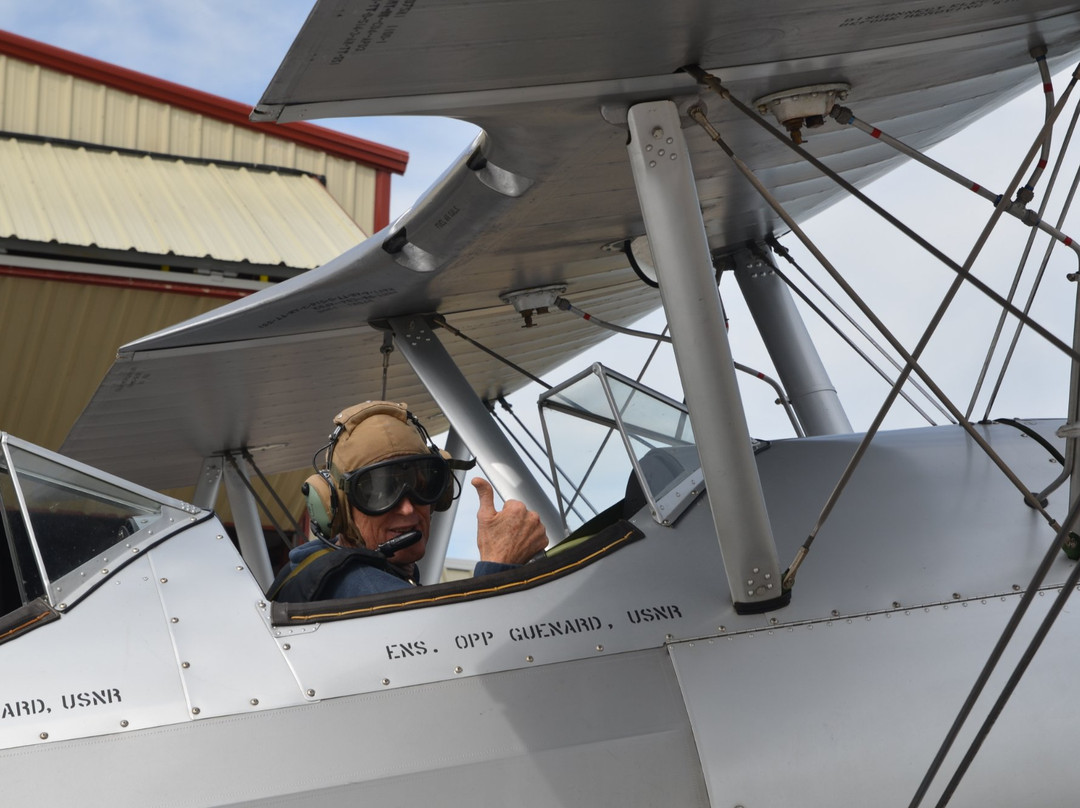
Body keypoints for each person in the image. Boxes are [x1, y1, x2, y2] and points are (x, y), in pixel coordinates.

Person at [269, 400, 548, 602]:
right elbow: (461, 662)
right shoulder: (360, 587)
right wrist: (499, 567)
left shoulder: (319, 568)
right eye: (378, 494)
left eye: (422, 485)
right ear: (335, 508)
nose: (407, 508)